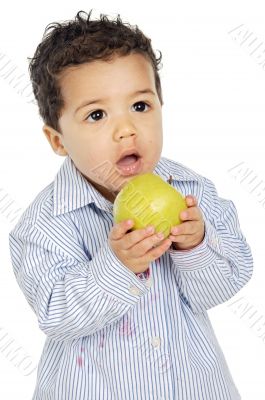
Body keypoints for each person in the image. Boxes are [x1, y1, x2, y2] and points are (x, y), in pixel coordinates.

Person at [9, 9, 253, 400]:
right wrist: (117, 266)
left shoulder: (192, 191)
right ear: (58, 141)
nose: (126, 130)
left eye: (140, 106)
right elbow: (57, 315)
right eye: (97, 114)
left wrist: (196, 244)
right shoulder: (44, 225)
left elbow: (224, 285)